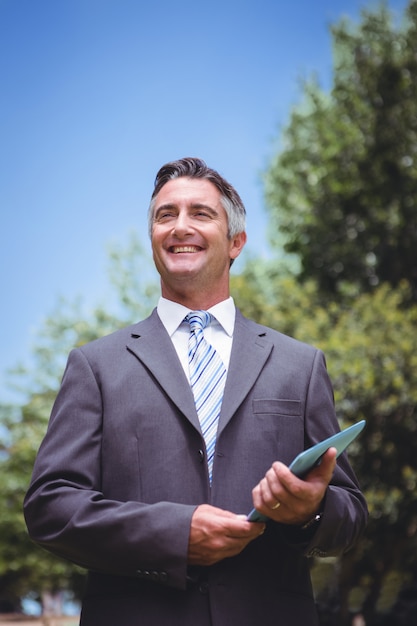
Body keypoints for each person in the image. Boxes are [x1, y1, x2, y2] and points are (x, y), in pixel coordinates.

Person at [24, 157, 368, 626]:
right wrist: (173, 534)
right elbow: (50, 506)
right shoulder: (95, 366)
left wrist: (309, 513)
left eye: (201, 214)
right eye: (166, 215)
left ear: (236, 242)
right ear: (153, 240)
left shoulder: (300, 365)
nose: (180, 226)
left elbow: (349, 515)